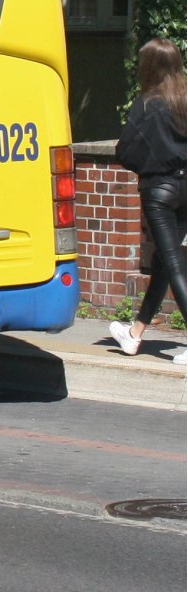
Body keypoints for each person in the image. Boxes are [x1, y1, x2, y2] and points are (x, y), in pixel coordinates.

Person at [109, 37, 187, 362]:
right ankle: (135, 333)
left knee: (173, 264)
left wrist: (148, 164)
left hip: (158, 191)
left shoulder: (146, 105)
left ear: (149, 67)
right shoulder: (184, 101)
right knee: (164, 265)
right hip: (185, 187)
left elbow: (124, 151)